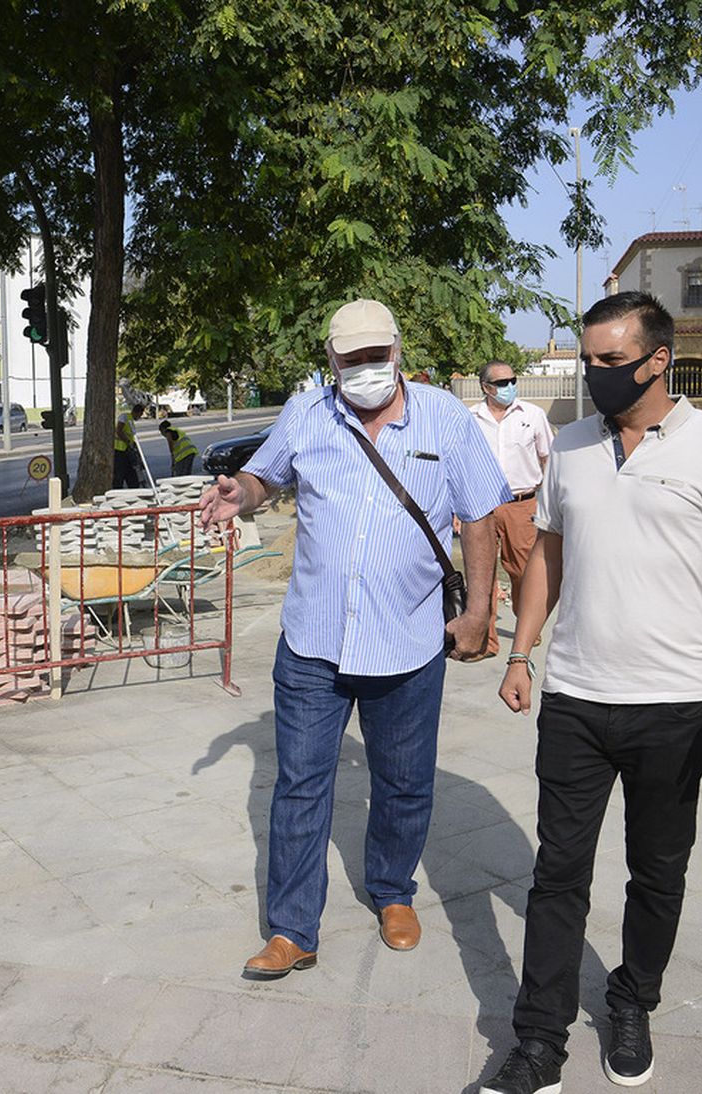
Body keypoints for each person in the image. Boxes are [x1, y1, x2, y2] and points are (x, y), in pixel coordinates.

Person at [479, 291, 702, 1094]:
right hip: (575, 697)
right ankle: (538, 1041)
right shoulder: (570, 446)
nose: (596, 374)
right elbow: (547, 556)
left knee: (657, 873)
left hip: (673, 703)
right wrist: (521, 652)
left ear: (658, 360)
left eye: (612, 361)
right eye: (590, 360)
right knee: (558, 873)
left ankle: (633, 1000)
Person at [198, 298, 509, 980]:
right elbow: (264, 476)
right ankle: (291, 929)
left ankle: (393, 892)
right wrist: (238, 495)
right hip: (314, 641)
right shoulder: (307, 414)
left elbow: (480, 516)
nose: (366, 370)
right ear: (332, 361)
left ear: (396, 352)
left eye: (378, 357)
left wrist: (479, 611)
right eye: (352, 360)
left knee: (402, 782)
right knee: (300, 786)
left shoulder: (446, 419)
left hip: (409, 639)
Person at [468, 361, 554, 661]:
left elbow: (549, 459)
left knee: (523, 571)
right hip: (482, 506)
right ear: (485, 387)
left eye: (511, 381)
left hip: (522, 505)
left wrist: (550, 502)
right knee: (483, 575)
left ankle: (527, 622)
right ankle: (485, 642)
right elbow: (461, 467)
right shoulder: (471, 419)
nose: (508, 387)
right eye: (501, 383)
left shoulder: (532, 415)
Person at [113, 404, 146, 489]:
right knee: (119, 474)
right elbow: (119, 431)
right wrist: (128, 442)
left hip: (127, 451)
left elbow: (130, 436)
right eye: (140, 415)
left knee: (131, 473)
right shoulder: (124, 417)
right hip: (120, 450)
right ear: (138, 412)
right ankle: (117, 490)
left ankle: (134, 488)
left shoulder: (130, 420)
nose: (140, 417)